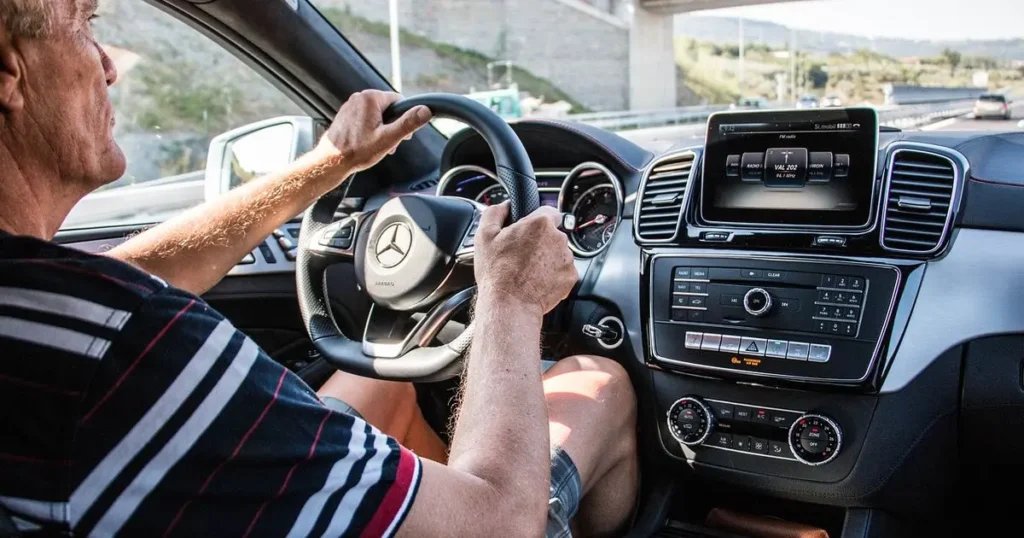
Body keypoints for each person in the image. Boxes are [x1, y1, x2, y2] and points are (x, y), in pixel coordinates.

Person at [0, 1, 638, 536]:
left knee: (391, 382)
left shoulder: (45, 310)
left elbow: (126, 275)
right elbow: (499, 523)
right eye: (85, 24)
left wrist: (328, 163)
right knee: (599, 384)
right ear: (9, 70)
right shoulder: (126, 354)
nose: (109, 66)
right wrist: (511, 299)